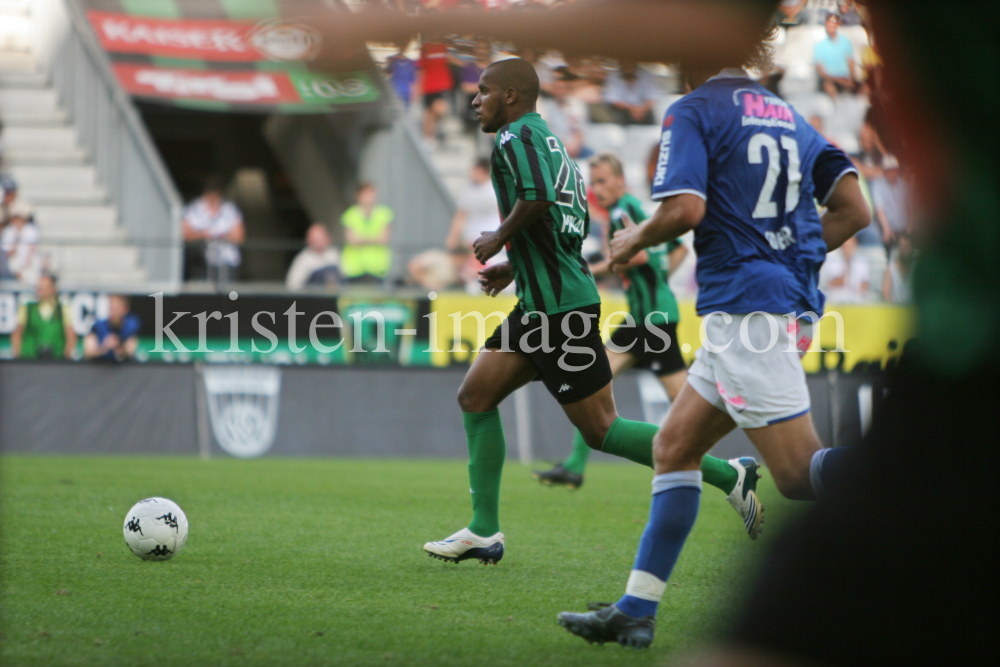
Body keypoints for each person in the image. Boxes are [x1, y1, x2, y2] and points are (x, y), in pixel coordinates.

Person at [556, 59, 870, 648]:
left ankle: (936, 480)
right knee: (673, 448)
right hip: (775, 305)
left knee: (798, 475)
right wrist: (790, 259)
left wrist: (632, 236)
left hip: (747, 311)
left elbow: (685, 210)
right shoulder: (790, 116)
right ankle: (635, 611)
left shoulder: (695, 109)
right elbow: (856, 211)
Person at [421, 58, 758, 568]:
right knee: (475, 394)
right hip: (541, 303)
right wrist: (515, 264)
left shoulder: (515, 139)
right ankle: (483, 530)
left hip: (559, 313)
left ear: (511, 96)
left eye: (484, 91)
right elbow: (565, 227)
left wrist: (497, 237)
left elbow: (535, 198)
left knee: (602, 429)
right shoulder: (555, 146)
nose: (474, 99)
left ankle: (730, 475)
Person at [533, 153, 719, 496]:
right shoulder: (628, 210)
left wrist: (596, 268)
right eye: (594, 182)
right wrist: (657, 280)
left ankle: (713, 468)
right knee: (593, 382)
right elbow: (676, 249)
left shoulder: (623, 210)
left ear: (620, 180)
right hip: (643, 319)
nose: (597, 188)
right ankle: (575, 466)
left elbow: (642, 255)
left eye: (603, 180)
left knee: (679, 397)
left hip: (652, 320)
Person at [182, 176, 245, 284]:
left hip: (227, 262)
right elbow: (185, 235)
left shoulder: (230, 209)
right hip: (201, 262)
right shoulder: (192, 209)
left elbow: (239, 237)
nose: (213, 198)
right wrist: (204, 235)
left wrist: (221, 236)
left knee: (229, 296)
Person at [10, 273, 76, 360]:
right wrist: (18, 356)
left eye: (44, 287)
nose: (40, 290)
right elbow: (16, 334)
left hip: (57, 360)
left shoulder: (63, 309)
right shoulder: (27, 308)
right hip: (29, 360)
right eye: (39, 287)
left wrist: (66, 359)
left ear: (53, 289)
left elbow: (70, 335)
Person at [340, 182, 393, 284]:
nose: (369, 197)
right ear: (358, 195)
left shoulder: (384, 214)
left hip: (377, 267)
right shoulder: (350, 214)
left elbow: (384, 239)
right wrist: (374, 238)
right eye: (366, 193)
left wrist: (362, 239)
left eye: (371, 193)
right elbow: (352, 240)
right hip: (355, 268)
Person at [814, 11, 858, 99]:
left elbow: (850, 62)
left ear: (837, 25)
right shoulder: (819, 45)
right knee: (829, 86)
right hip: (829, 79)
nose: (831, 28)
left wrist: (851, 79)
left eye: (833, 25)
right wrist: (839, 80)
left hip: (845, 78)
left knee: (864, 88)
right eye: (829, 25)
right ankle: (837, 109)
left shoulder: (846, 42)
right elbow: (820, 70)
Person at [84, 294, 141, 362]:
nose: (112, 312)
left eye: (115, 309)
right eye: (111, 308)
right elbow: (88, 353)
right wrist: (105, 347)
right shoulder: (98, 326)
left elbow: (130, 351)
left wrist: (118, 347)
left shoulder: (130, 326)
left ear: (125, 309)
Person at [418, 39, 454, 146]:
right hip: (427, 86)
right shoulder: (425, 47)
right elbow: (421, 69)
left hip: (442, 85)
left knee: (440, 110)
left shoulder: (445, 46)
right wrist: (418, 87)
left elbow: (452, 60)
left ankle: (439, 131)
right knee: (428, 115)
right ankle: (429, 139)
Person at [600, 61, 660, 125]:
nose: (627, 65)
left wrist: (641, 110)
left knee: (651, 114)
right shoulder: (613, 76)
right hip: (624, 110)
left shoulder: (645, 75)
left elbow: (652, 97)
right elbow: (613, 100)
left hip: (643, 110)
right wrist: (633, 109)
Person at [285, 223, 341, 290]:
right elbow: (292, 285)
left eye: (321, 237)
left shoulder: (335, 253)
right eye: (316, 238)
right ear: (308, 239)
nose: (319, 241)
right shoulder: (303, 259)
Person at [871, 154, 909, 248]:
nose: (892, 172)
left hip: (904, 229)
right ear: (884, 171)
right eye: (888, 170)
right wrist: (886, 229)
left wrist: (908, 231)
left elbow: (912, 209)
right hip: (886, 229)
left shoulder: (904, 185)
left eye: (894, 169)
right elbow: (879, 208)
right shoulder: (878, 184)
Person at [0, 201, 41, 286]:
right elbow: (8, 251)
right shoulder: (9, 231)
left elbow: (31, 249)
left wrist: (25, 265)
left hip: (28, 264)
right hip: (13, 265)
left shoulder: (30, 230)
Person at [821, 234, 871, 302]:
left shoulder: (861, 261)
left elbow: (865, 284)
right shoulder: (833, 260)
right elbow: (832, 284)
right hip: (837, 300)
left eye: (851, 246)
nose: (849, 249)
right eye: (847, 247)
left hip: (857, 301)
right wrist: (847, 265)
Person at [882, 232, 914, 303]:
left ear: (912, 248)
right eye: (900, 246)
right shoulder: (891, 267)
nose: (903, 250)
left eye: (906, 247)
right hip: (895, 310)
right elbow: (886, 294)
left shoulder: (916, 269)